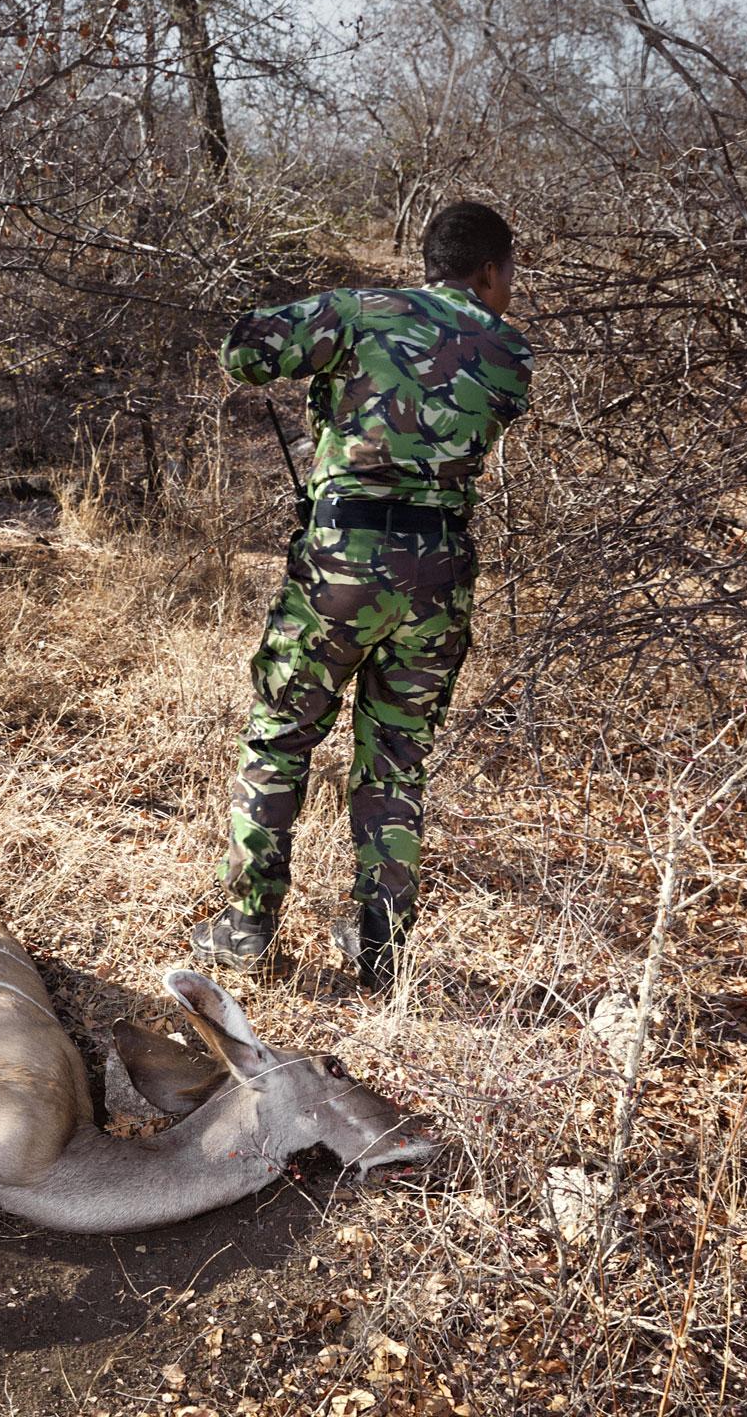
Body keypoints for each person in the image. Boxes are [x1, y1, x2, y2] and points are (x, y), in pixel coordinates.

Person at [190, 201, 534, 991]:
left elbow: (244, 353)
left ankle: (246, 927)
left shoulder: (360, 311)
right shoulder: (511, 351)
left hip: (341, 561)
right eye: (511, 271)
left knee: (280, 735)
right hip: (440, 571)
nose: (512, 286)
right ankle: (383, 952)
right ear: (489, 269)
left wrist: (290, 325)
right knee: (397, 763)